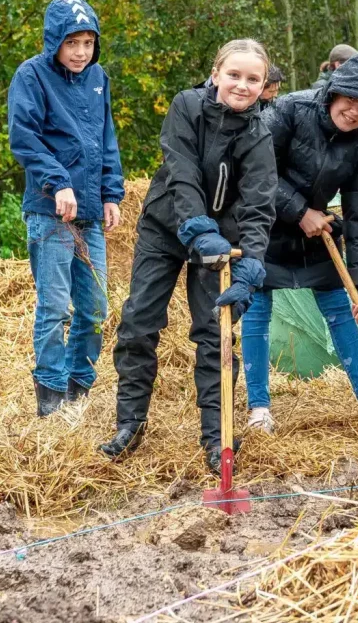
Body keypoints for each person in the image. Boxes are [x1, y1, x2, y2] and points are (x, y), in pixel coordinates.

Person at [100, 39, 277, 473]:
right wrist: (199, 231)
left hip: (221, 243)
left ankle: (219, 441)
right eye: (234, 74)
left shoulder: (259, 134)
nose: (242, 85)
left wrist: (250, 267)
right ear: (216, 74)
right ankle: (130, 424)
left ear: (262, 86)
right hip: (165, 228)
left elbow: (259, 205)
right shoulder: (187, 106)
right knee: (139, 321)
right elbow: (181, 173)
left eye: (253, 79)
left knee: (215, 335)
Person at [241, 52, 358, 433]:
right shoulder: (290, 110)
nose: (355, 113)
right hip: (264, 227)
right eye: (351, 102)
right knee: (256, 315)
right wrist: (299, 211)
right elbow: (256, 172)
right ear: (335, 93)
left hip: (318, 235)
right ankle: (259, 408)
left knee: (344, 312)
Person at [7, 0, 124, 418]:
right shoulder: (32, 76)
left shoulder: (98, 79)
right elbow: (25, 139)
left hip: (90, 211)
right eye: (72, 42)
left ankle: (80, 386)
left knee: (94, 309)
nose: (80, 52)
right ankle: (52, 397)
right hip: (49, 211)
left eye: (88, 42)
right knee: (55, 307)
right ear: (54, 40)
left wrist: (112, 192)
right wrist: (57, 183)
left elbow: (106, 139)